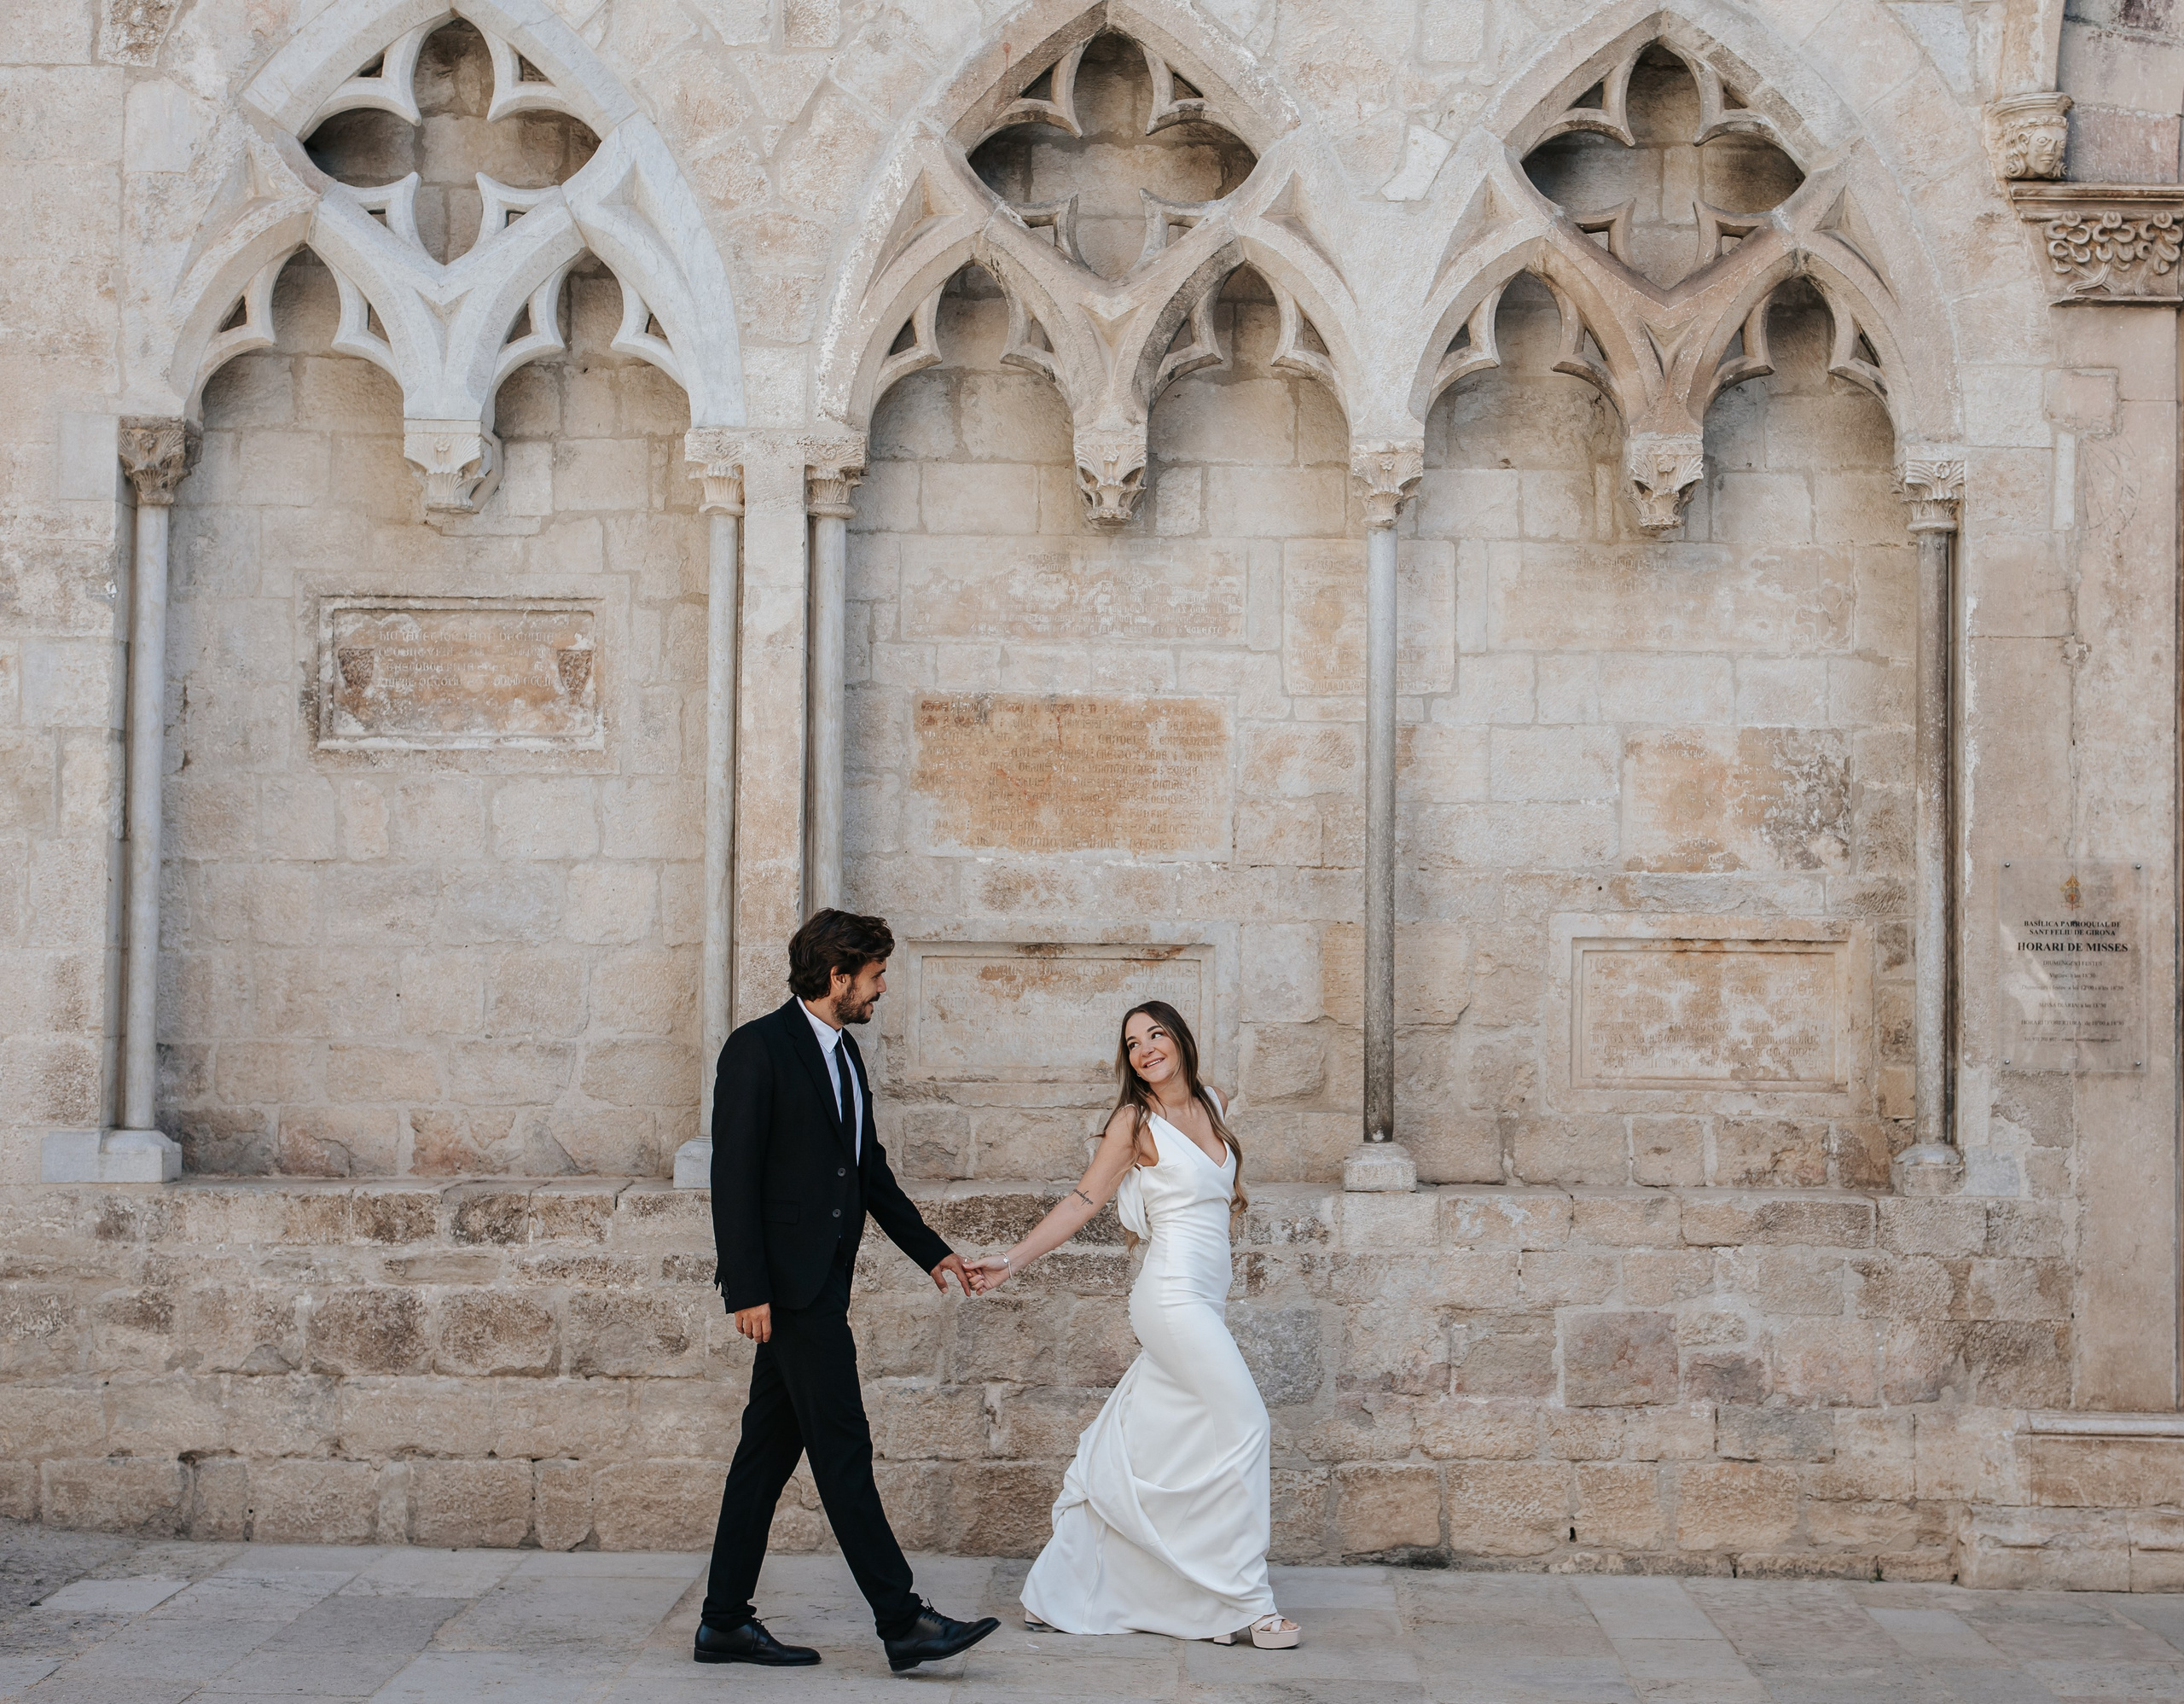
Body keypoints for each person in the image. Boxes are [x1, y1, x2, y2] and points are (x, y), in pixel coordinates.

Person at [698, 908, 1000, 1672]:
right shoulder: (757, 1049)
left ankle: (724, 1622)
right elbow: (730, 1176)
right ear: (837, 978)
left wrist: (933, 1254)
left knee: (763, 1457)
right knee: (843, 1447)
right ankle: (902, 1621)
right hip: (788, 1292)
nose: (880, 989)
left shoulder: (847, 1058)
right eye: (874, 976)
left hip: (824, 1283)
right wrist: (747, 1287)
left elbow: (869, 1176)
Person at [967, 1001, 1300, 1649]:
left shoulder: (1214, 1102)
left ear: (1178, 1038)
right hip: (1170, 1295)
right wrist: (1010, 1261)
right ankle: (1248, 1603)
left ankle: (1063, 1586)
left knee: (1159, 1442)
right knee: (1246, 1422)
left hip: (1207, 1296)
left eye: (1155, 1034)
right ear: (1128, 1060)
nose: (1146, 1047)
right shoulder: (1134, 1120)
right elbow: (1083, 1200)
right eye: (1132, 1042)